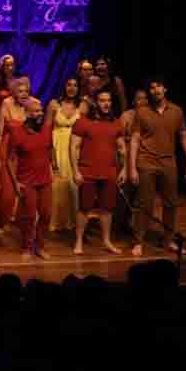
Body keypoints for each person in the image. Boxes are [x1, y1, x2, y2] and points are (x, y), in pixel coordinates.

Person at [129, 77, 186, 257]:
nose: (155, 90)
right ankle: (138, 241)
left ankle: (168, 239)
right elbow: (134, 139)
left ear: (165, 89)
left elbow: (184, 136)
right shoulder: (142, 112)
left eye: (158, 86)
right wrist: (132, 167)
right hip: (146, 161)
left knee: (171, 203)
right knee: (145, 204)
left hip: (168, 162)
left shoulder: (177, 111)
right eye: (151, 87)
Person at [71, 90, 126, 255]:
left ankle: (106, 241)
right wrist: (75, 171)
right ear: (96, 103)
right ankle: (79, 240)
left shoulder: (116, 123)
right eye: (102, 100)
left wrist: (124, 169)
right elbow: (73, 147)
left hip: (109, 172)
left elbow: (122, 148)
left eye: (108, 100)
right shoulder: (83, 122)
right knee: (84, 208)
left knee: (107, 209)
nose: (106, 104)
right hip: (88, 171)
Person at [7, 98, 59, 260]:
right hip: (27, 181)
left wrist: (55, 168)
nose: (40, 114)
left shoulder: (45, 130)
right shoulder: (17, 132)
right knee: (29, 215)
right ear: (27, 113)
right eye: (36, 111)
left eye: (41, 111)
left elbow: (50, 149)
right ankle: (27, 246)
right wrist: (15, 182)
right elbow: (10, 159)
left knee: (46, 214)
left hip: (45, 180)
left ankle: (40, 246)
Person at [0, 77, 32, 233]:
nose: (23, 94)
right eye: (20, 91)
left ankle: (21, 220)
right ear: (14, 92)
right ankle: (2, 220)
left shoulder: (33, 104)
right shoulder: (6, 103)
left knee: (26, 188)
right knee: (8, 192)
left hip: (26, 149)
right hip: (7, 148)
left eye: (26, 91)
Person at [50, 77, 87, 232]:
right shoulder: (54, 104)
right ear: (64, 86)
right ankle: (56, 221)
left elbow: (85, 131)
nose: (72, 88)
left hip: (74, 148)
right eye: (69, 84)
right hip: (57, 145)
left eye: (75, 85)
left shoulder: (83, 106)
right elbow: (48, 129)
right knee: (57, 185)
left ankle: (72, 221)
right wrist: (50, 154)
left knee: (73, 185)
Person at [116, 89, 148, 233]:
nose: (142, 101)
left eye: (144, 98)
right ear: (134, 101)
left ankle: (139, 225)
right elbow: (120, 137)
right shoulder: (127, 115)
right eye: (138, 99)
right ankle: (121, 223)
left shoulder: (150, 115)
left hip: (146, 155)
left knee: (142, 191)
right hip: (128, 154)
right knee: (126, 190)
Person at [0, 54, 16, 124]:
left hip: (11, 118)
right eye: (7, 65)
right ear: (2, 67)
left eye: (12, 65)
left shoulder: (16, 82)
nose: (10, 68)